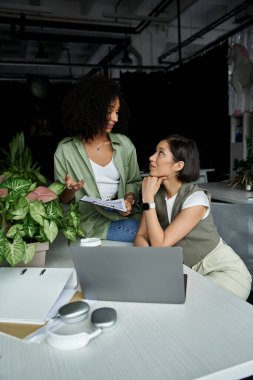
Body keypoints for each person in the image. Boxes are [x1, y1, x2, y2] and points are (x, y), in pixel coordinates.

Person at [134, 134, 252, 300]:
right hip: (187, 272)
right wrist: (153, 263)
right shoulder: (154, 193)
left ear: (178, 165)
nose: (151, 158)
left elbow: (160, 245)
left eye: (160, 153)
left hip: (222, 271)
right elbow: (140, 236)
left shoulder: (196, 198)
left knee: (193, 308)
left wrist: (147, 200)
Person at [54, 75, 142, 243]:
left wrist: (129, 200)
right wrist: (70, 190)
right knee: (146, 234)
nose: (115, 118)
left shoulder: (124, 145)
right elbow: (62, 200)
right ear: (91, 109)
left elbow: (133, 180)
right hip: (91, 221)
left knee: (156, 227)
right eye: (109, 112)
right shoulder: (65, 150)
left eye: (117, 112)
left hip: (123, 216)